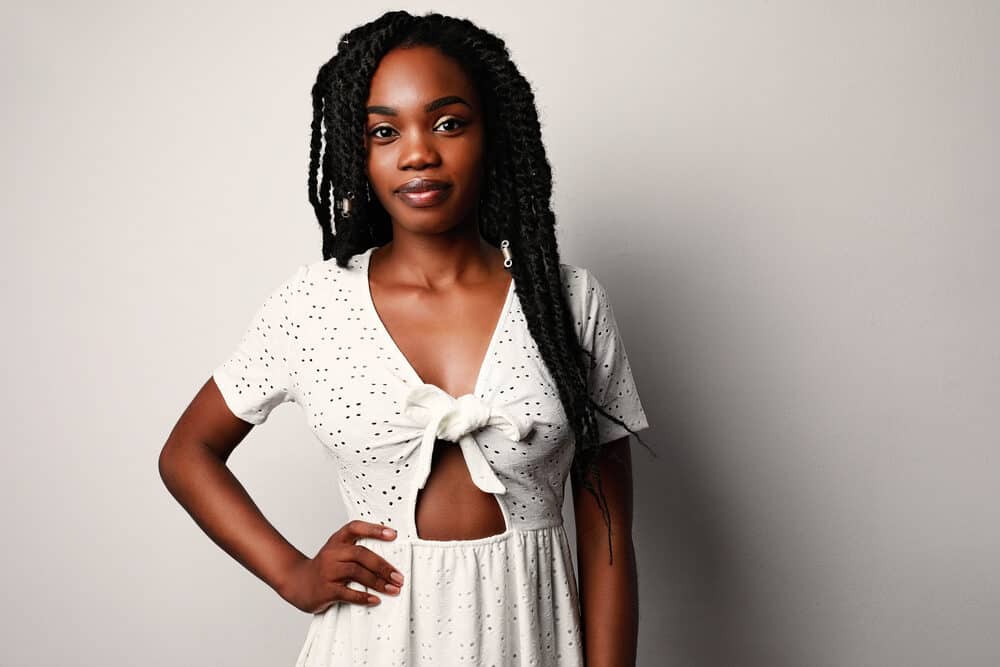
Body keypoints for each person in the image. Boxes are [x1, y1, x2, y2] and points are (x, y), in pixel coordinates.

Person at [158, 10, 653, 666]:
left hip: (530, 642)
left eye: (448, 122)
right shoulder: (314, 305)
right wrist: (291, 572)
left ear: (493, 133)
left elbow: (608, 535)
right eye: (385, 131)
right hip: (369, 645)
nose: (419, 151)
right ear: (358, 152)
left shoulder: (569, 302)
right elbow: (187, 452)